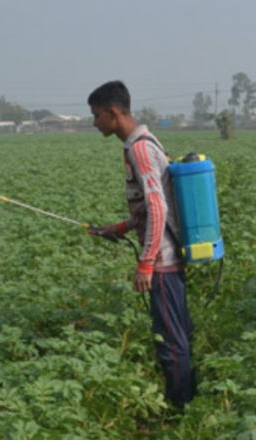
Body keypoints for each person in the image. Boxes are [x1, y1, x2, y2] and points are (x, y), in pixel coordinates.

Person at [86, 80, 196, 408]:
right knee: (176, 334)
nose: (94, 123)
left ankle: (181, 411)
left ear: (113, 113)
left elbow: (158, 206)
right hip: (164, 256)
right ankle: (186, 400)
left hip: (162, 261)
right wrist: (119, 227)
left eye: (96, 116)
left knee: (171, 341)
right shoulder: (143, 143)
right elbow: (147, 207)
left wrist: (146, 262)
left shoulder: (139, 148)